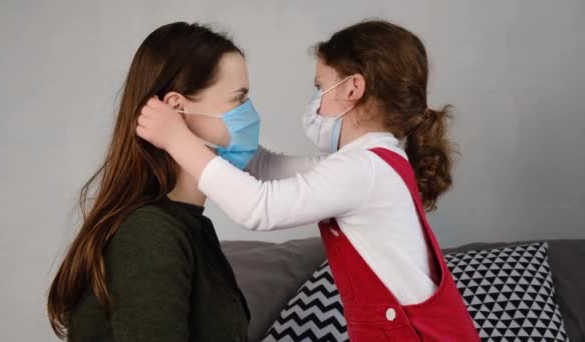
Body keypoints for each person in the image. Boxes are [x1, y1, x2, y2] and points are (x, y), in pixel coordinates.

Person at [136, 19, 480, 341]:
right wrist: (225, 138)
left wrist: (177, 140)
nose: (315, 101)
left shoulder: (364, 171)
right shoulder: (373, 164)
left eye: (320, 87)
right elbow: (271, 169)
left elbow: (260, 208)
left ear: (353, 88)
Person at [47, 22, 253, 342]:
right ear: (176, 108)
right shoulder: (150, 230)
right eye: (239, 100)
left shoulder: (191, 226)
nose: (250, 115)